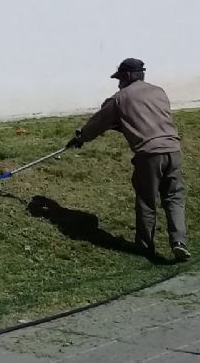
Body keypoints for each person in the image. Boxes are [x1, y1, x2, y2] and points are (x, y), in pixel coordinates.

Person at [66, 58, 190, 262]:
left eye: (119, 79)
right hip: (173, 150)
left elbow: (98, 122)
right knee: (174, 197)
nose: (118, 84)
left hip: (149, 154)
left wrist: (81, 138)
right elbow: (148, 118)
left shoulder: (120, 98)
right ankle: (179, 242)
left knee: (146, 201)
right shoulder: (159, 92)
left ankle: (144, 246)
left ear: (128, 76)